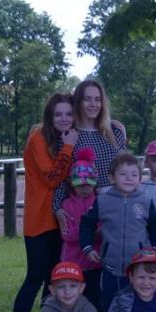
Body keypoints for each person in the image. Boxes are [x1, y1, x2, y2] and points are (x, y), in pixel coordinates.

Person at [7, 92, 78, 312]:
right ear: (49, 116)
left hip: (61, 219)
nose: (64, 118)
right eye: (58, 114)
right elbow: (51, 178)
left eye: (69, 114)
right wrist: (69, 148)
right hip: (39, 220)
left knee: (54, 278)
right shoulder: (38, 138)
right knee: (35, 277)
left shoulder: (66, 138)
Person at [80, 152, 156, 312]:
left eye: (134, 175)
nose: (128, 178)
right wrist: (87, 247)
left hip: (139, 266)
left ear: (140, 179)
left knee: (137, 305)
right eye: (123, 174)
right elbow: (87, 223)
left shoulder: (145, 201)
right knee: (109, 304)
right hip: (111, 266)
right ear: (112, 178)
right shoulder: (103, 201)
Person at [53, 80, 127, 231]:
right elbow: (62, 177)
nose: (93, 104)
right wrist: (57, 207)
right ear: (78, 102)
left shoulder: (115, 132)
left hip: (118, 205)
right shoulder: (70, 135)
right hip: (85, 208)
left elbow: (126, 168)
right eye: (87, 99)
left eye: (97, 99)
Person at [59, 147, 102, 311]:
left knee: (96, 299)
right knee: (74, 302)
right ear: (72, 184)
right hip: (74, 263)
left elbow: (105, 229)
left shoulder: (100, 202)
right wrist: (87, 230)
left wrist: (91, 232)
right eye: (80, 185)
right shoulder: (66, 205)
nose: (84, 188)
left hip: (96, 262)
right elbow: (67, 235)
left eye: (88, 184)